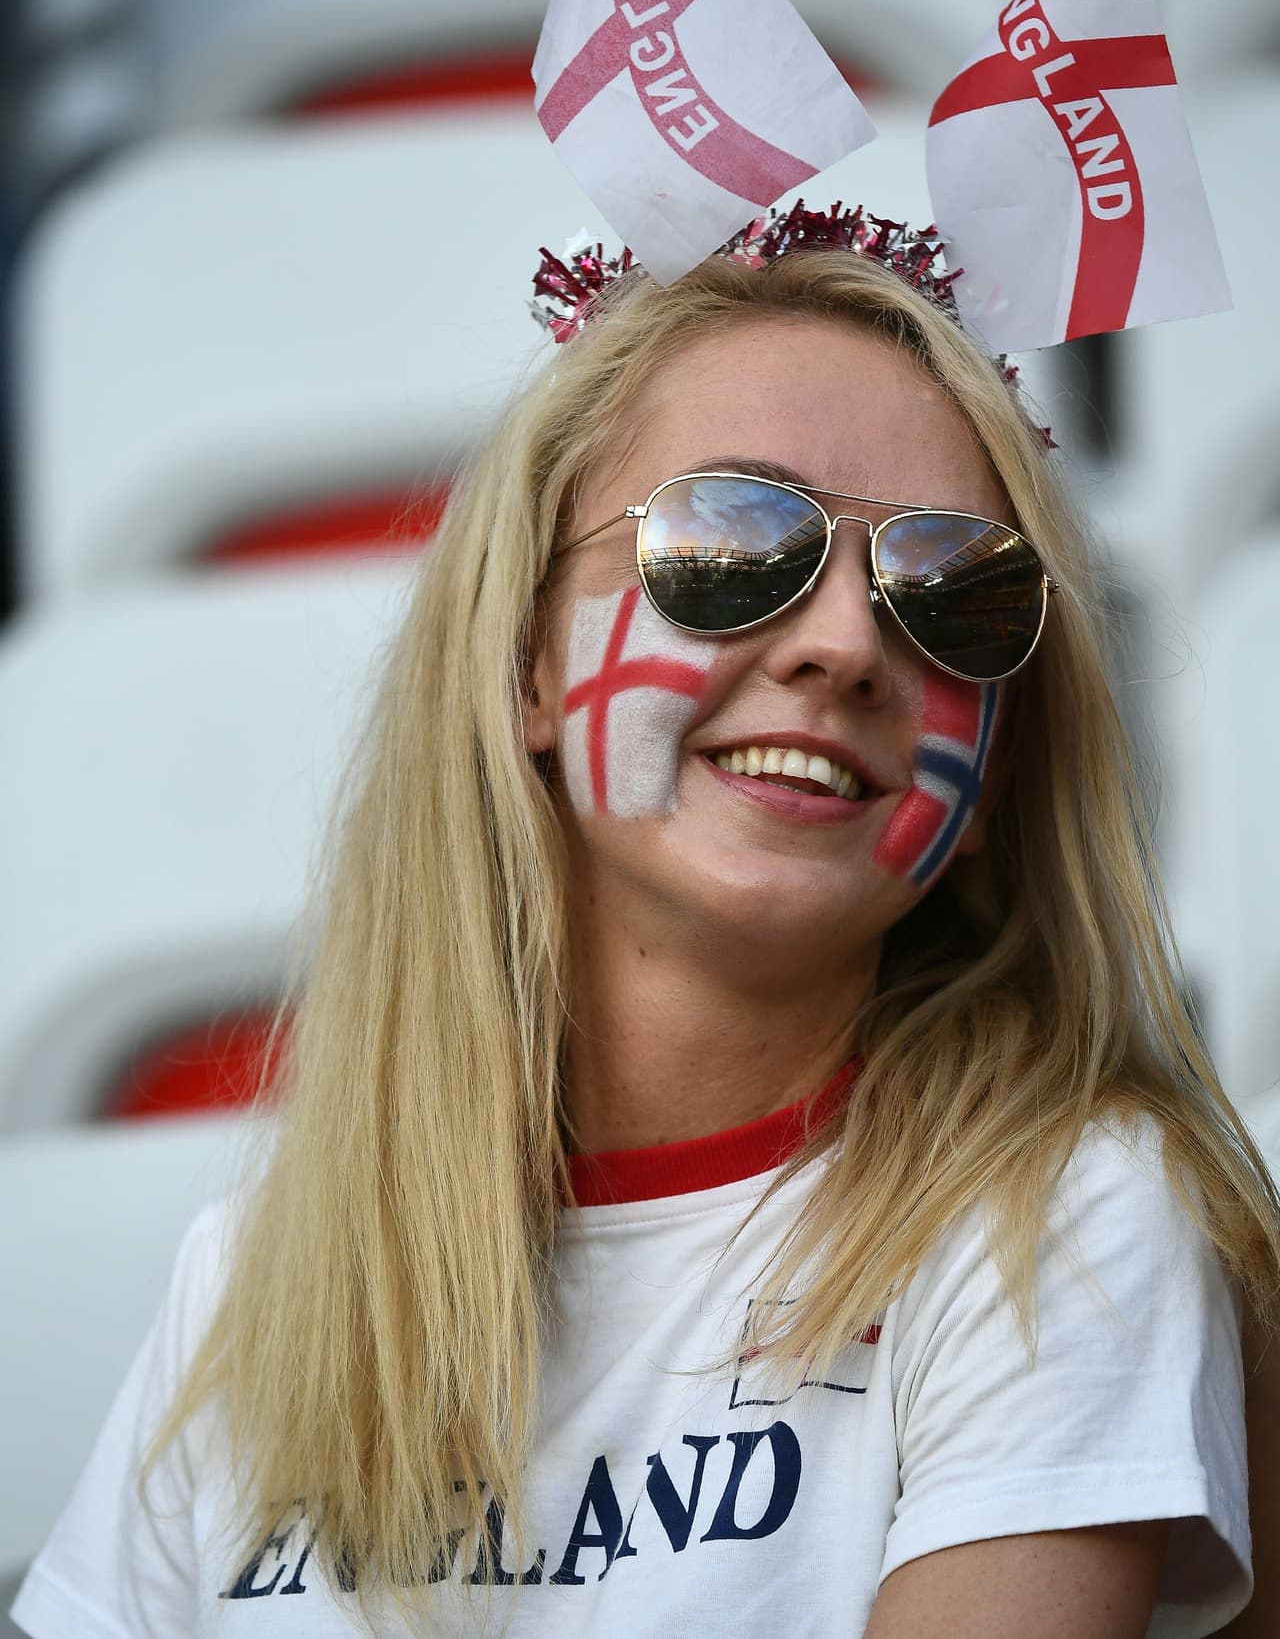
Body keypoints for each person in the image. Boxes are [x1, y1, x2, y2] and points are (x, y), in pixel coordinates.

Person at [12, 222, 1280, 1637]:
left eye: (954, 590)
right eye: (732, 542)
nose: (851, 644)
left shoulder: (1060, 1225)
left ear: (992, 784)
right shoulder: (251, 1280)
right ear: (525, 666)